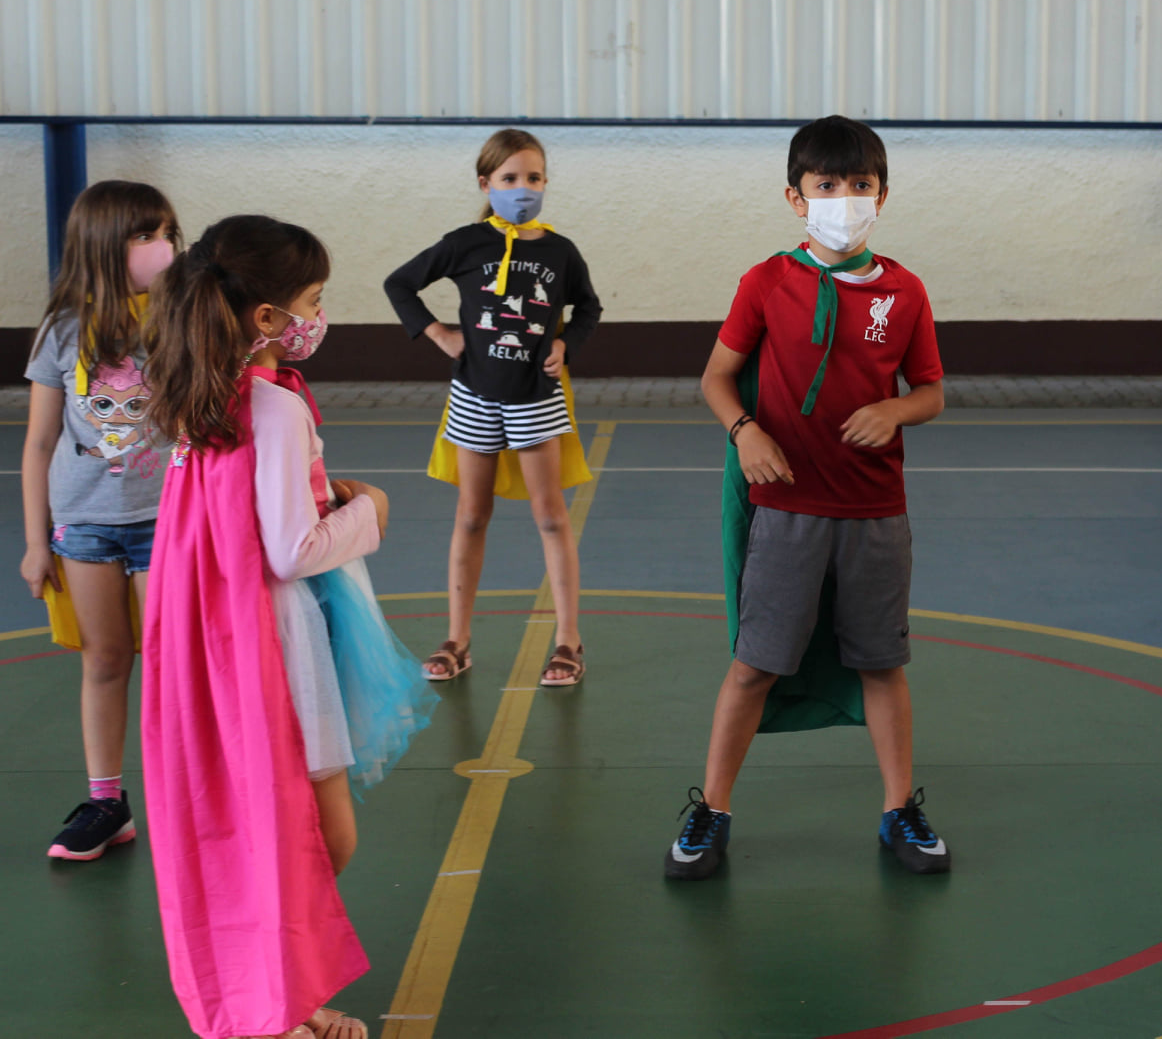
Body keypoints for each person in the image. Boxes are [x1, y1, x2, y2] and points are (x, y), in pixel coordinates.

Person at [143, 215, 434, 1039]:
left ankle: (284, 1003)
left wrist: (317, 496)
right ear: (266, 317)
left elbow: (243, 519)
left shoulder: (204, 393)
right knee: (318, 834)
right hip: (271, 639)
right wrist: (372, 508)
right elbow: (290, 548)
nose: (318, 314)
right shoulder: (269, 407)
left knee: (276, 828)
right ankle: (276, 1007)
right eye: (310, 300)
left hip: (218, 634)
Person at [665, 116, 949, 881]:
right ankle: (711, 810)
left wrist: (894, 410)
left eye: (860, 186)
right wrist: (744, 432)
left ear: (882, 195)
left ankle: (899, 810)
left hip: (875, 511)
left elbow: (930, 392)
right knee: (755, 665)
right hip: (787, 510)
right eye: (827, 186)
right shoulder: (765, 283)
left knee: (882, 662)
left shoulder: (904, 290)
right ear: (796, 198)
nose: (844, 200)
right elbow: (716, 377)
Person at [384, 129, 602, 687]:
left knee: (551, 517)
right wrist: (437, 333)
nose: (522, 188)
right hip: (475, 397)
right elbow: (400, 283)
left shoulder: (560, 251)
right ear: (487, 184)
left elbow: (588, 307)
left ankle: (569, 641)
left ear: (546, 182)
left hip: (535, 399)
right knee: (471, 516)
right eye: (509, 179)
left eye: (533, 178)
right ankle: (457, 639)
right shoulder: (466, 243)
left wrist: (564, 344)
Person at [21, 181, 180, 861]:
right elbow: (37, 442)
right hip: (84, 523)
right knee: (106, 660)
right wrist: (36, 541)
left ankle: (183, 797)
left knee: (172, 667)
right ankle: (107, 803)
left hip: (163, 519)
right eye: (146, 236)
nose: (162, 247)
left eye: (166, 232)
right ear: (105, 248)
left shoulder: (179, 320)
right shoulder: (62, 331)